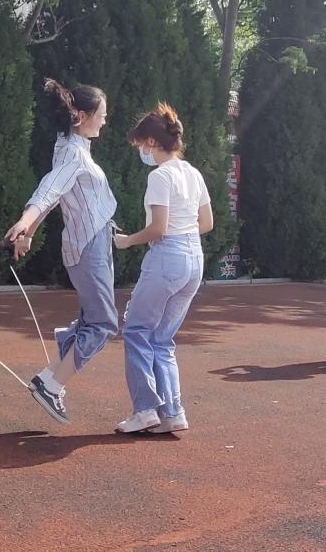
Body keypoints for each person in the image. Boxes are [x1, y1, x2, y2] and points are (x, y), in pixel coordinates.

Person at [5, 79, 118, 424]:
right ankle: (52, 384)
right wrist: (25, 223)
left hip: (94, 242)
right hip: (88, 246)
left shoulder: (74, 146)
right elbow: (49, 191)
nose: (105, 120)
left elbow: (56, 195)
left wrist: (29, 231)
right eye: (101, 114)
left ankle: (51, 376)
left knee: (91, 321)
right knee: (102, 323)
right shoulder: (72, 152)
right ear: (81, 116)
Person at [112, 103, 213, 433]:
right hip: (193, 258)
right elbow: (207, 222)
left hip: (167, 257)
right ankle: (172, 412)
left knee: (136, 331)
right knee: (162, 338)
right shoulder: (192, 172)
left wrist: (126, 241)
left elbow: (158, 228)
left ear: (152, 142)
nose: (140, 150)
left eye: (141, 144)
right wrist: (182, 233)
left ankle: (145, 410)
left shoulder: (160, 176)